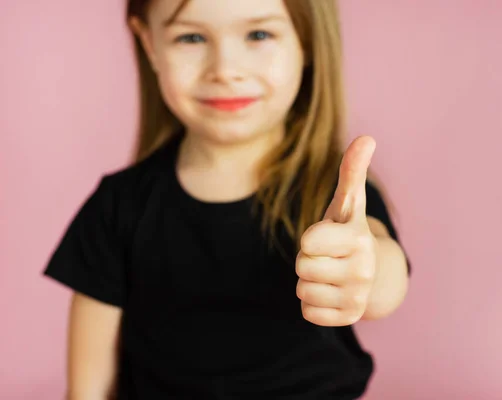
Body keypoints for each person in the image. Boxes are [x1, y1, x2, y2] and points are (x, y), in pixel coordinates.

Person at [43, 0, 411, 398]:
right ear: (150, 45)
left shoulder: (333, 192)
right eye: (192, 37)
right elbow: (87, 389)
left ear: (306, 42)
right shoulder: (118, 206)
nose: (224, 70)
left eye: (258, 34)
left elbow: (382, 276)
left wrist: (365, 270)